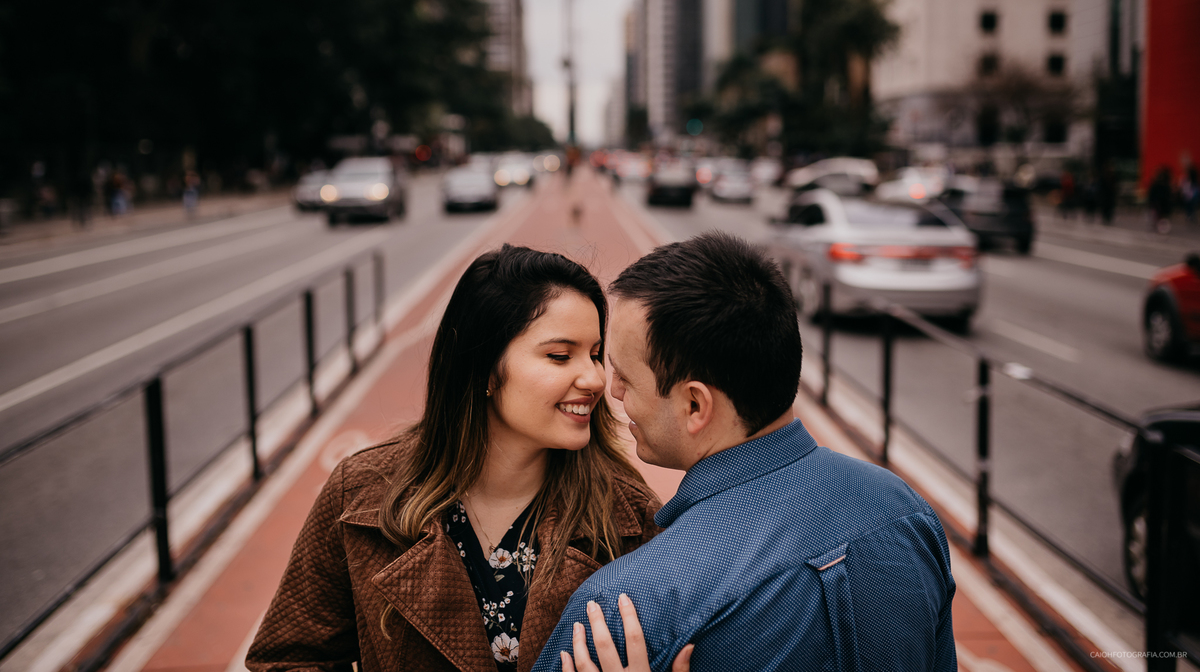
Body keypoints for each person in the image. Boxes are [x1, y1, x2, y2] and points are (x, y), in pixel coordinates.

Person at [535, 232, 957, 672]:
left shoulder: (622, 612)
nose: (611, 389)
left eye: (624, 376)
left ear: (695, 405)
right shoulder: (907, 513)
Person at [246, 245, 663, 672]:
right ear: (483, 367)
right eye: (560, 355)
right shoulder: (361, 493)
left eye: (595, 354)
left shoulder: (631, 517)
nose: (595, 378)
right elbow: (287, 659)